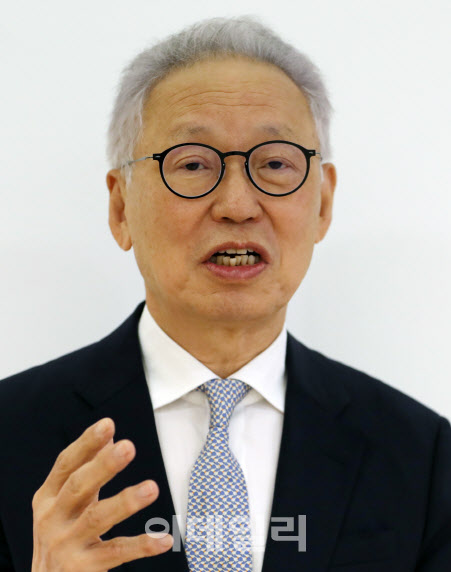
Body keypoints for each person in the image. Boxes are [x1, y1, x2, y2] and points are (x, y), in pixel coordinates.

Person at [0, 15, 450, 572]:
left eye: (275, 164)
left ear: (323, 204)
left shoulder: (421, 455)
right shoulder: (10, 434)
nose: (237, 205)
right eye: (192, 164)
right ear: (120, 208)